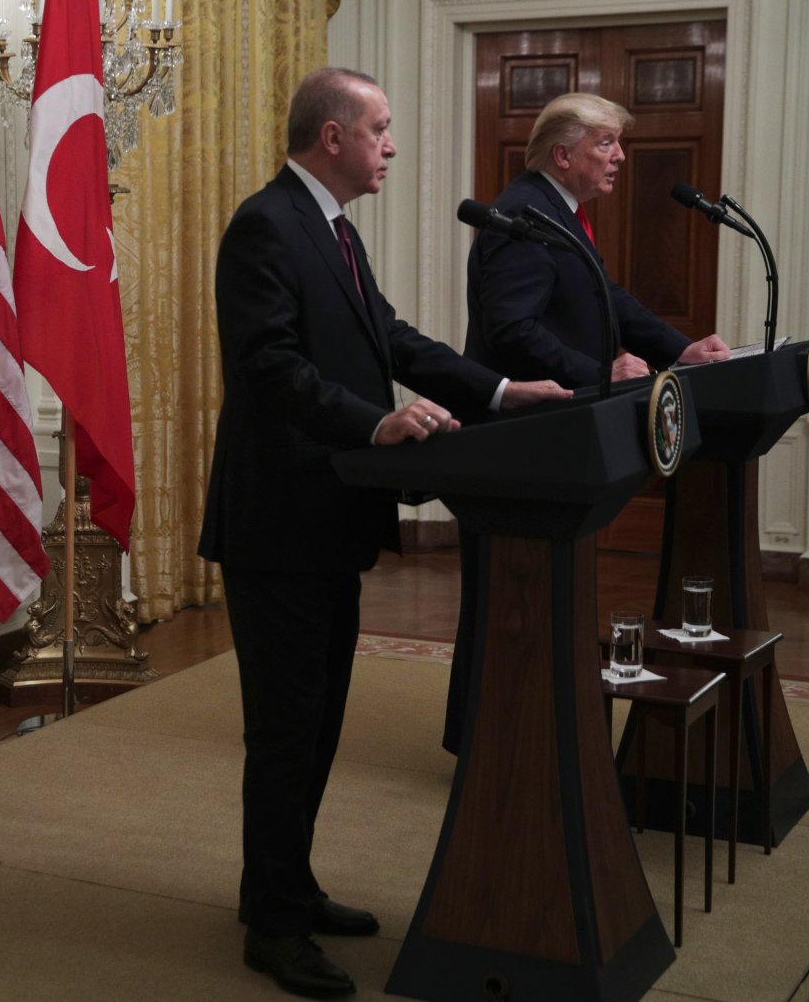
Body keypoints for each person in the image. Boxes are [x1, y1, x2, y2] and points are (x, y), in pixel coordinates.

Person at [198, 67, 571, 999]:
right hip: (279, 523)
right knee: (287, 730)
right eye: (381, 129)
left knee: (317, 725)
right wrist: (375, 424)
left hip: (330, 519)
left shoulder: (331, 229)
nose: (392, 147)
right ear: (333, 138)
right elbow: (270, 367)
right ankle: (274, 930)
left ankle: (281, 886)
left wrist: (493, 390)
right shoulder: (264, 225)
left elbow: (391, 340)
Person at [464, 92, 730, 389]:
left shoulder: (555, 205)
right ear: (563, 155)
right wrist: (599, 375)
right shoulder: (526, 213)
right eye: (606, 143)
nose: (620, 154)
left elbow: (602, 294)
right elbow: (511, 330)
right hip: (527, 417)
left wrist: (679, 350)